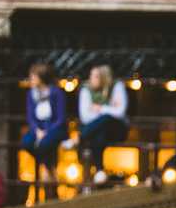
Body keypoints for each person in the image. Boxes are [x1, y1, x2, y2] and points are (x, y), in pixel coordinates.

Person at [21, 62, 68, 195]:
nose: (30, 80)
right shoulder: (30, 94)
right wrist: (37, 130)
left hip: (54, 128)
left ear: (41, 77)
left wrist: (47, 132)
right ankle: (48, 166)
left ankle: (47, 169)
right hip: (38, 128)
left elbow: (60, 117)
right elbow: (30, 116)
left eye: (33, 77)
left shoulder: (57, 93)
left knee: (45, 143)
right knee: (25, 142)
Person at [78, 65, 130, 184]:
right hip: (97, 131)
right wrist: (110, 109)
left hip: (117, 130)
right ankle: (100, 170)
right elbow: (85, 117)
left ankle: (79, 138)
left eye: (95, 76)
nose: (91, 78)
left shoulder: (117, 86)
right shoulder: (86, 88)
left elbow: (120, 113)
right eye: (90, 75)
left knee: (105, 119)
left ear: (103, 78)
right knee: (100, 128)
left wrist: (99, 108)